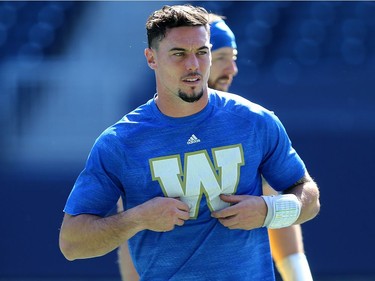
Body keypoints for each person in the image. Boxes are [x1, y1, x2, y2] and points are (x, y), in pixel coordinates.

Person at [59, 4, 320, 281]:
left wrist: (269, 211)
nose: (193, 65)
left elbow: (309, 198)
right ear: (151, 58)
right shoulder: (120, 142)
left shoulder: (255, 121)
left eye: (202, 52)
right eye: (179, 54)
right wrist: (138, 219)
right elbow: (72, 243)